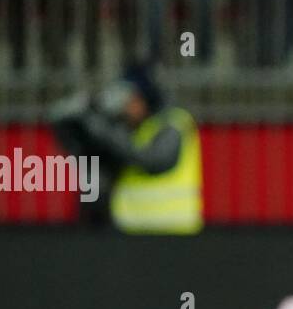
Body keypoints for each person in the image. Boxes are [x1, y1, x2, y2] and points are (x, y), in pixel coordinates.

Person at [51, 64, 203, 234]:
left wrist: (103, 131)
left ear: (144, 98)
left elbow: (153, 161)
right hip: (131, 232)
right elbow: (94, 162)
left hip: (173, 231)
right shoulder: (131, 129)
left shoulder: (174, 123)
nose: (124, 107)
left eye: (129, 100)